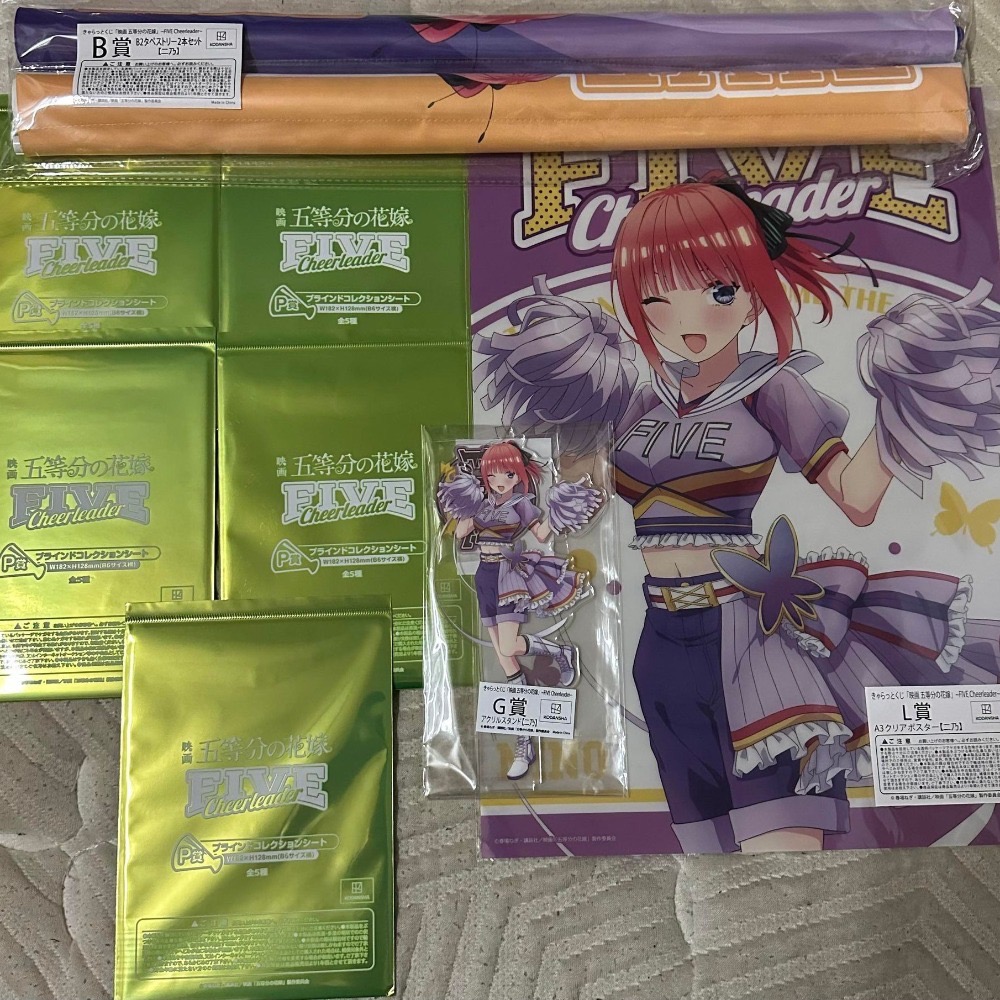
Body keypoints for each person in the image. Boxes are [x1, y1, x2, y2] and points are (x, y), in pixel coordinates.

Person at [475, 177, 1000, 849]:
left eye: (719, 291)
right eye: (658, 296)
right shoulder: (637, 401)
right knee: (704, 849)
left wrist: (909, 386)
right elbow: (570, 498)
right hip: (661, 645)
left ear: (753, 290)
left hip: (751, 635)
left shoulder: (771, 388)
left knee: (782, 846)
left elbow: (857, 496)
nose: (689, 318)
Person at [437, 440, 601, 779]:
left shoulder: (522, 504)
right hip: (484, 575)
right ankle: (524, 745)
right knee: (506, 663)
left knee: (511, 646)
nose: (500, 480)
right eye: (493, 474)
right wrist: (461, 503)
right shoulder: (482, 503)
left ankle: (560, 652)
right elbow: (462, 532)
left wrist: (561, 508)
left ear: (519, 475)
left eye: (508, 474)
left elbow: (541, 533)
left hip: (508, 574)